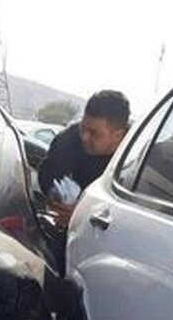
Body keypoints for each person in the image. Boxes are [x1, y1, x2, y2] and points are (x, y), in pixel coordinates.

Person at [38, 89, 131, 226]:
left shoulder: (134, 158)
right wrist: (56, 197)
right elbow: (48, 172)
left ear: (118, 135)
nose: (84, 137)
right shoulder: (68, 139)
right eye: (83, 128)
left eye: (94, 133)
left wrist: (83, 214)